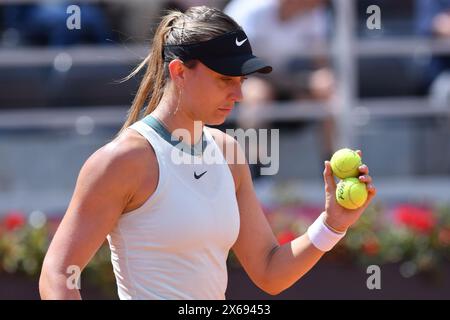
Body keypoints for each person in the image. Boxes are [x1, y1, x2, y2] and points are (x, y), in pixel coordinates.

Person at [39, 6, 376, 300]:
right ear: (180, 73)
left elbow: (270, 271)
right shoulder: (122, 161)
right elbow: (58, 275)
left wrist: (332, 224)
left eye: (241, 79)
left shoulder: (228, 152)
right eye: (224, 79)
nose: (239, 94)